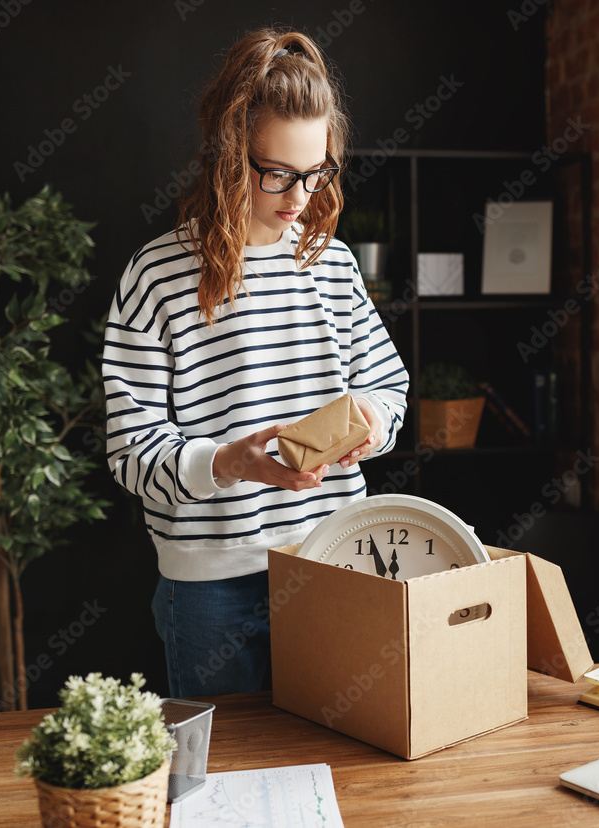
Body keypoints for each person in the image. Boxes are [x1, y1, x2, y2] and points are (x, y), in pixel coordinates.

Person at [102, 28, 408, 697]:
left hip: (334, 562)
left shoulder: (332, 263)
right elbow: (129, 454)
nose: (299, 197)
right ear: (229, 153)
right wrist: (226, 462)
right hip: (211, 586)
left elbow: (389, 386)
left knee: (345, 768)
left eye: (317, 172)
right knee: (227, 787)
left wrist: (370, 420)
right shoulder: (156, 275)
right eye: (278, 173)